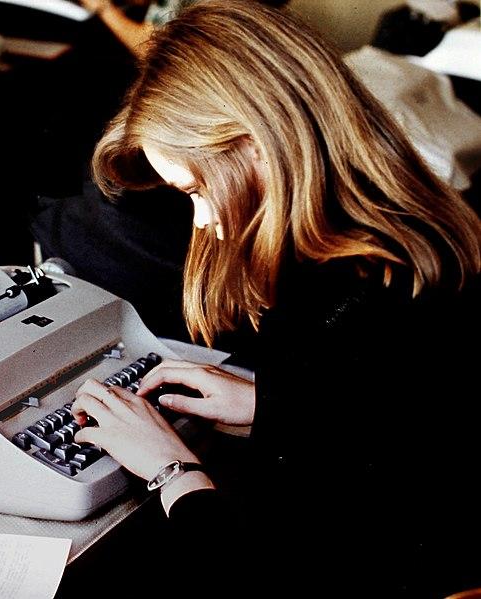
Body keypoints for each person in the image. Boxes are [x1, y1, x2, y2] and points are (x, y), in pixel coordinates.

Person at [67, 1, 481, 596]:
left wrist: (170, 469)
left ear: (259, 144)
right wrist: (272, 405)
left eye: (197, 189)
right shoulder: (405, 249)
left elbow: (265, 575)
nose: (203, 221)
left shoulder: (354, 299)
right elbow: (389, 425)